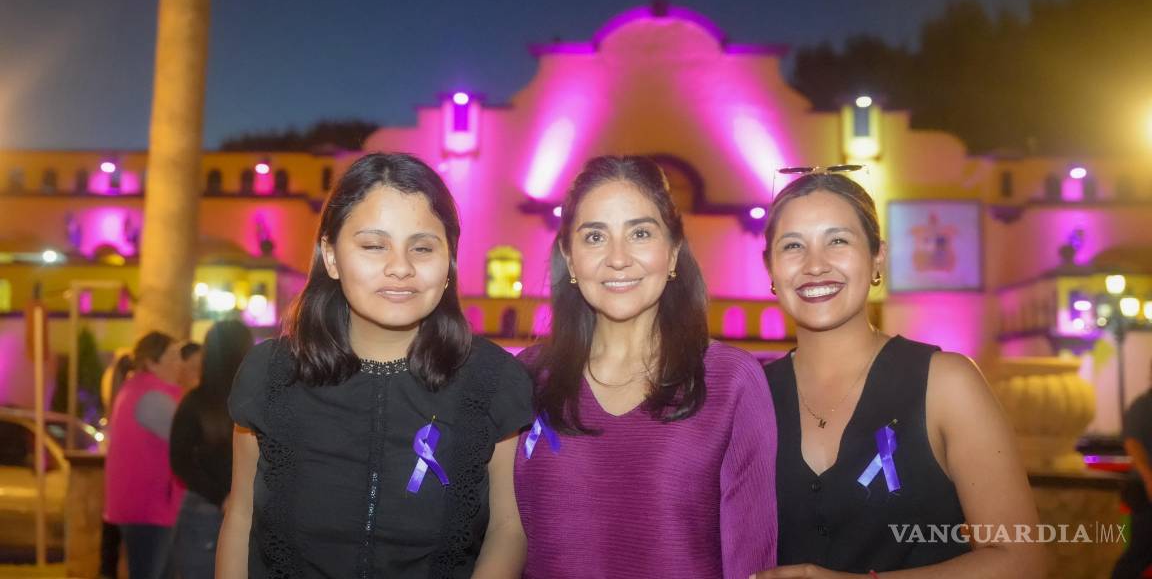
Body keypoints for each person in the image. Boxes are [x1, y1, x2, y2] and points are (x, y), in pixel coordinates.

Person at [217, 153, 534, 578]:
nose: (400, 268)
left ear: (448, 264)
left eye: (422, 247)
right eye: (373, 245)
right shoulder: (270, 374)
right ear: (331, 256)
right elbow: (241, 516)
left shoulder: (492, 380)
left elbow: (507, 527)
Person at [755, 170, 1045, 578]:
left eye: (838, 241)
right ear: (770, 267)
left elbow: (1020, 561)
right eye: (792, 246)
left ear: (878, 257)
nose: (815, 265)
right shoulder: (750, 397)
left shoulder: (946, 384)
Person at [512, 155, 778, 579]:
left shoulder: (731, 381)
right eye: (595, 237)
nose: (618, 258)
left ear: (673, 252)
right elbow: (506, 540)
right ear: (569, 256)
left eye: (639, 233)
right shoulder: (528, 378)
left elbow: (752, 558)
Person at [169, 320, 253, 579]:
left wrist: (220, 496)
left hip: (207, 508)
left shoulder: (196, 401)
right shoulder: (255, 399)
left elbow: (180, 460)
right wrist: (224, 497)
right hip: (230, 509)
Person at [104, 331, 186, 579]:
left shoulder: (137, 390)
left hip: (141, 506)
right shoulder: (153, 399)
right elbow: (188, 441)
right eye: (172, 357)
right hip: (150, 508)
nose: (179, 363)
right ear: (152, 362)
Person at [1113, 362, 1152, 579]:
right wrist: (1149, 479)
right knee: (1139, 554)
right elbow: (1132, 444)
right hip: (1147, 495)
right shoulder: (1143, 406)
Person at [98, 348, 134, 579]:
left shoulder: (118, 398)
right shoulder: (132, 398)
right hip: (130, 486)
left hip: (117, 486)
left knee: (112, 545)